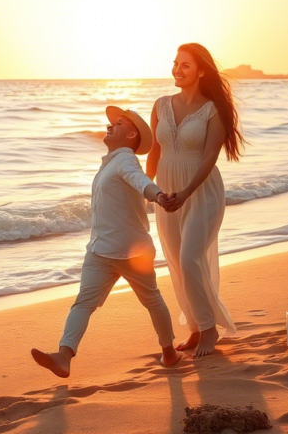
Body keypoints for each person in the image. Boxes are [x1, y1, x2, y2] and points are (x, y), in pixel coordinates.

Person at [31, 106, 181, 378]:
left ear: (132, 133)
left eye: (119, 123)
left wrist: (158, 196)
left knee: (152, 300)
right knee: (84, 303)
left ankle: (169, 351)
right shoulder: (110, 163)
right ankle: (64, 356)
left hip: (131, 251)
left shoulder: (125, 160)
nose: (110, 125)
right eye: (112, 122)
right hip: (100, 250)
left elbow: (141, 180)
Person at [147, 43, 244, 358]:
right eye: (175, 63)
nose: (177, 69)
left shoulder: (213, 110)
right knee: (176, 263)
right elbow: (154, 153)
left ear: (201, 70)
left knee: (189, 260)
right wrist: (149, 192)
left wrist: (186, 192)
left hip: (201, 192)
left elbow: (209, 158)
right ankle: (194, 327)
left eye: (185, 65)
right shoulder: (161, 105)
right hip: (167, 195)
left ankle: (209, 328)